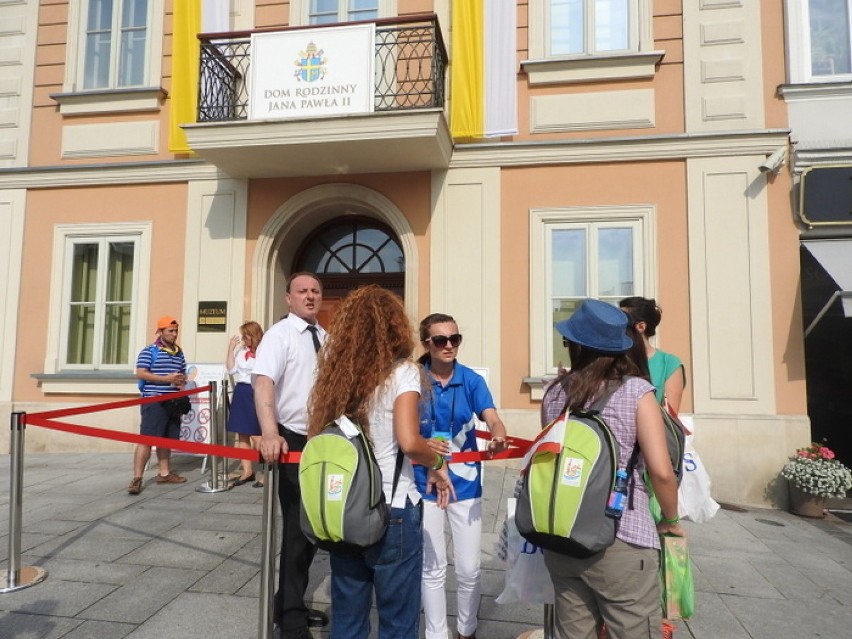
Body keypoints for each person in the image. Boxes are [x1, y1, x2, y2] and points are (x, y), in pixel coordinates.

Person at [307, 285, 454, 639]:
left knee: (348, 619)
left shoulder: (337, 378)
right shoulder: (402, 372)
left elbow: (317, 439)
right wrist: (435, 462)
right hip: (394, 509)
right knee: (397, 622)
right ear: (395, 328)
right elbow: (408, 440)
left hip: (346, 510)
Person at [542, 299, 684, 639]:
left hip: (562, 536)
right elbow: (662, 472)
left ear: (575, 345)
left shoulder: (554, 393)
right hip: (624, 537)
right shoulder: (636, 391)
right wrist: (671, 520)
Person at [415, 313, 509, 639]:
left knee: (469, 568)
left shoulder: (470, 379)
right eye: (440, 340)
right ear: (426, 343)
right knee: (433, 567)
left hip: (465, 482)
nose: (449, 345)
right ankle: (436, 634)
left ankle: (466, 630)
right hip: (424, 480)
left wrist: (498, 433)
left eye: (455, 339)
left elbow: (492, 417)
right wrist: (420, 443)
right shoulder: (413, 379)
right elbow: (400, 429)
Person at [254, 272, 328, 639]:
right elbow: (263, 381)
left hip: (321, 441)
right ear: (288, 298)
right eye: (302, 291)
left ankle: (288, 602)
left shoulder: (324, 337)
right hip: (292, 441)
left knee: (313, 530)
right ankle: (291, 622)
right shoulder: (278, 335)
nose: (310, 296)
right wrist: (269, 432)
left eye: (315, 291)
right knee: (300, 532)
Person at [127, 316, 189, 495]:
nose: (175, 334)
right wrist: (166, 379)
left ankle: (164, 473)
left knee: (166, 439)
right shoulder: (149, 351)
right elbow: (141, 373)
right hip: (153, 400)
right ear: (160, 332)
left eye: (176, 330)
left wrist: (181, 381)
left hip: (173, 401)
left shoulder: (179, 352)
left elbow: (183, 373)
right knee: (146, 440)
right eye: (171, 331)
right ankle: (137, 478)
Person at [619, 297, 686, 413]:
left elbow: (670, 417)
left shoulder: (669, 364)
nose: (616, 325)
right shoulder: (613, 359)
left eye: (622, 321)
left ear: (641, 327)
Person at [226, 320, 265, 487]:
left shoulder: (265, 350)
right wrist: (230, 349)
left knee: (258, 435)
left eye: (245, 336)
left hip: (255, 391)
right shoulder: (242, 351)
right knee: (242, 434)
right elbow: (231, 370)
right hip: (241, 392)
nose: (243, 339)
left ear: (253, 335)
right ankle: (247, 471)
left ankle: (265, 472)